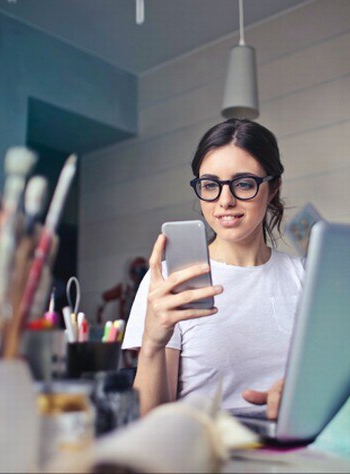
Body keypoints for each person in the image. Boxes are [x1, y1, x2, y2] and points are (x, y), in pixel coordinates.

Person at [122, 118, 305, 418]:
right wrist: (153, 343)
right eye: (210, 185)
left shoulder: (306, 277)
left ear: (273, 188)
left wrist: (302, 396)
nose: (225, 201)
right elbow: (150, 422)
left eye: (244, 184)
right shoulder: (170, 282)